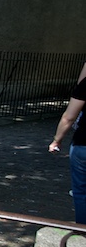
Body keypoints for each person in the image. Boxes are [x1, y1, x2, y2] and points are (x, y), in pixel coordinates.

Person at [48, 61, 86, 224]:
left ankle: (83, 233)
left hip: (84, 144)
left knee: (81, 191)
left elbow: (69, 117)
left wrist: (57, 140)